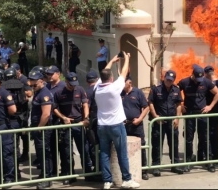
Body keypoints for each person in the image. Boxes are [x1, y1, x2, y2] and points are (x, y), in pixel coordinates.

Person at [94, 52, 140, 189]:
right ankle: (127, 179)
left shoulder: (97, 88)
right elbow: (124, 72)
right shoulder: (114, 88)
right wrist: (126, 59)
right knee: (122, 153)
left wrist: (112, 62)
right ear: (112, 78)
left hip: (102, 126)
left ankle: (107, 181)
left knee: (104, 153)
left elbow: (104, 73)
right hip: (116, 125)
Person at [177, 64, 218, 172]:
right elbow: (175, 91)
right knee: (188, 138)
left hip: (202, 114)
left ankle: (208, 161)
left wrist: (210, 106)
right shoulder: (184, 82)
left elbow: (217, 93)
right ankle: (188, 161)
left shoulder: (205, 82)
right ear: (192, 75)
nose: (198, 81)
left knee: (205, 138)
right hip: (189, 113)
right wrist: (180, 105)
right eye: (197, 78)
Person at [53, 72, 93, 185]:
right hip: (66, 125)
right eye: (71, 84)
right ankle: (69, 174)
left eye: (74, 84)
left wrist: (86, 118)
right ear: (66, 82)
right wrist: (63, 117)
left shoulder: (80, 90)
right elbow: (54, 108)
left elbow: (85, 105)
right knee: (67, 151)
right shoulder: (59, 92)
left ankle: (88, 172)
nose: (73, 86)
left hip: (79, 123)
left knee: (84, 149)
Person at [148, 70, 184, 176]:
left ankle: (175, 165)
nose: (169, 82)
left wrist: (177, 118)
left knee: (174, 143)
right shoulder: (156, 89)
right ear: (164, 78)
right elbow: (150, 102)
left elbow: (178, 104)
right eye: (167, 79)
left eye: (171, 80)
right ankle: (156, 166)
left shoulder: (176, 89)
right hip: (159, 121)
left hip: (171, 121)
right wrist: (155, 116)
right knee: (157, 144)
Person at [28, 70, 53, 189]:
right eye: (31, 84)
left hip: (43, 129)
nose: (33, 86)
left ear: (41, 81)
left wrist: (39, 128)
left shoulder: (45, 94)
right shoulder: (38, 92)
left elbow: (46, 114)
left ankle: (47, 178)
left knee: (44, 153)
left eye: (35, 84)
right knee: (40, 153)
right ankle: (44, 174)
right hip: (38, 128)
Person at [121, 76, 149, 180]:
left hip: (136, 125)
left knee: (141, 146)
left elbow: (146, 107)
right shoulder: (120, 93)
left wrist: (140, 119)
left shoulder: (138, 93)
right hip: (124, 125)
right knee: (124, 148)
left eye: (124, 82)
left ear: (130, 83)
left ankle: (144, 170)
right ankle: (128, 170)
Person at [2, 68, 30, 169]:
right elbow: (25, 100)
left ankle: (14, 170)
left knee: (11, 145)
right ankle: (17, 167)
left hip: (9, 119)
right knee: (19, 141)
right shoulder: (21, 86)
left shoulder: (2, 87)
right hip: (21, 117)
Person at [44, 66, 66, 176]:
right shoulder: (46, 86)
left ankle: (65, 172)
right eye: (48, 74)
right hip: (50, 122)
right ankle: (52, 172)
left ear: (58, 74)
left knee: (63, 149)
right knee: (51, 148)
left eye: (51, 74)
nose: (49, 76)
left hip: (60, 121)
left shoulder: (63, 87)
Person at [203, 66, 218, 164]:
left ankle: (213, 157)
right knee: (214, 134)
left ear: (206, 74)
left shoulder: (209, 84)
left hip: (211, 112)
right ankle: (216, 156)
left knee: (211, 134)